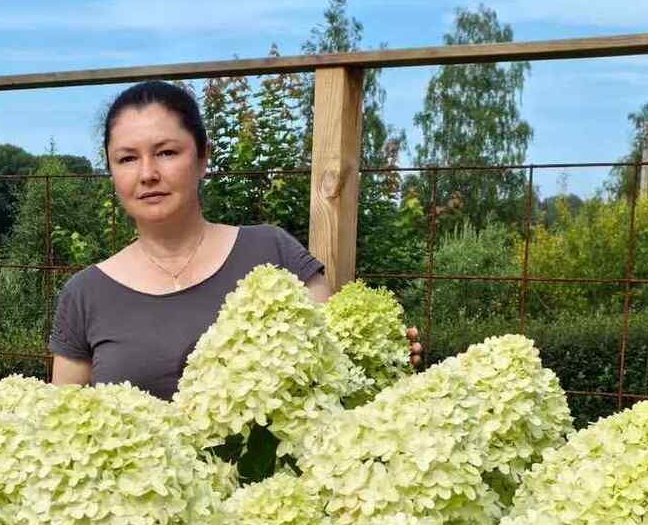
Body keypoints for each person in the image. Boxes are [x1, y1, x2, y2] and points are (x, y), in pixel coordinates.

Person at [50, 80, 421, 400]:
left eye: (166, 153)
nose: (147, 174)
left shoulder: (274, 253)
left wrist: (383, 355)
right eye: (127, 158)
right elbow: (64, 429)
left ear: (203, 157)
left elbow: (340, 374)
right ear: (111, 171)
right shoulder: (85, 295)